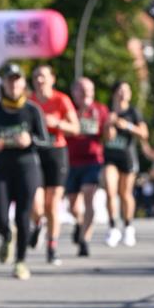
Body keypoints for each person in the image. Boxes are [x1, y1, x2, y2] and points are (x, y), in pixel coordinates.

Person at [0, 64, 48, 280]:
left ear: (23, 83)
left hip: (27, 168)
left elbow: (46, 140)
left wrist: (30, 140)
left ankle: (20, 261)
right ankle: (7, 235)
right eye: (10, 80)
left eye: (17, 80)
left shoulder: (32, 110)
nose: (14, 84)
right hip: (2, 169)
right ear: (4, 84)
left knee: (22, 215)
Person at [29, 65, 79, 265]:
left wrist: (57, 123)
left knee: (52, 204)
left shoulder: (61, 100)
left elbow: (75, 128)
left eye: (43, 76)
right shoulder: (29, 102)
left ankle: (52, 247)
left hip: (56, 153)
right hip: (35, 154)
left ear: (52, 79)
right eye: (36, 77)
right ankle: (37, 224)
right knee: (36, 203)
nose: (39, 80)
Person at [65, 78, 108, 257]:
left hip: (93, 160)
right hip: (71, 161)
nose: (85, 93)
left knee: (89, 196)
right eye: (81, 90)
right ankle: (80, 223)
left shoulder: (100, 110)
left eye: (89, 90)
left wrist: (110, 127)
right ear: (74, 92)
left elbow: (107, 135)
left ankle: (84, 239)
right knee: (73, 206)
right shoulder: (69, 110)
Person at [102, 81, 148, 247]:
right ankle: (113, 227)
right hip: (110, 157)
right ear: (114, 93)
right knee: (110, 189)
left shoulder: (133, 112)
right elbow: (104, 137)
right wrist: (109, 126)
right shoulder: (107, 111)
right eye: (120, 90)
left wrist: (127, 125)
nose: (123, 94)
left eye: (126, 90)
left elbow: (144, 134)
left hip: (127, 157)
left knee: (125, 193)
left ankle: (128, 226)